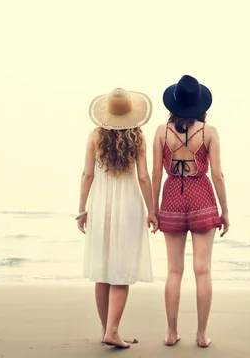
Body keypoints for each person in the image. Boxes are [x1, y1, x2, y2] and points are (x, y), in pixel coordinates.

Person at [151, 74, 230, 348]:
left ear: (174, 103)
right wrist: (225, 210)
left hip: (172, 195)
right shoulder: (209, 132)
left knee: (174, 271)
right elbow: (217, 174)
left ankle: (171, 333)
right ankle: (201, 335)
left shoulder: (162, 131)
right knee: (202, 270)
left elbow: (155, 175)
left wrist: (153, 209)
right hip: (202, 196)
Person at [77, 87, 159, 349]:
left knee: (102, 270)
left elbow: (87, 175)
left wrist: (82, 209)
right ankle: (112, 331)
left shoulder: (94, 137)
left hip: (101, 205)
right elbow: (144, 177)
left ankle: (106, 330)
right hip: (128, 205)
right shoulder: (138, 138)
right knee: (121, 270)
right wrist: (152, 210)